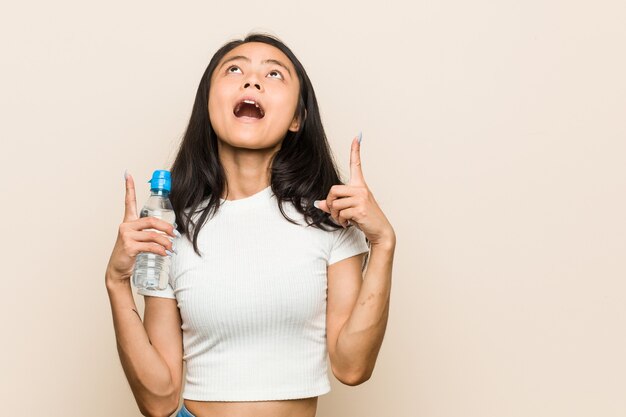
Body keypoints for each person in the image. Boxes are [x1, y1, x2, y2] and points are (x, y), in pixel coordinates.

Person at [105, 32, 396, 417]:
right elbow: (158, 400)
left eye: (274, 74)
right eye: (235, 69)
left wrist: (383, 243)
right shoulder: (171, 227)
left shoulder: (328, 221)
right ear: (209, 103)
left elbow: (352, 366)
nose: (252, 80)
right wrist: (117, 282)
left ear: (297, 118)